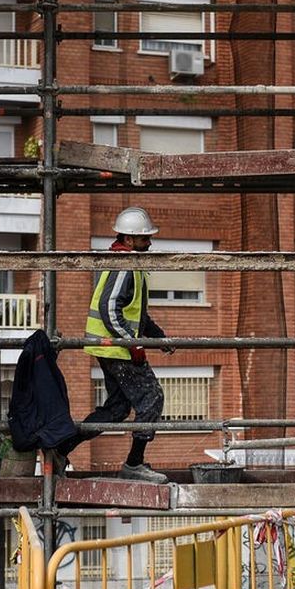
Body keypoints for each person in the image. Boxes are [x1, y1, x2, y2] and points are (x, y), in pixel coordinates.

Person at [81, 206, 173, 483]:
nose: (149, 243)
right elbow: (110, 309)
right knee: (152, 397)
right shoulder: (125, 264)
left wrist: (158, 337)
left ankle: (60, 447)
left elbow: (136, 313)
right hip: (117, 348)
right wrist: (133, 345)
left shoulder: (127, 263)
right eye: (144, 238)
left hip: (109, 347)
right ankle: (134, 464)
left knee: (117, 410)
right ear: (130, 240)